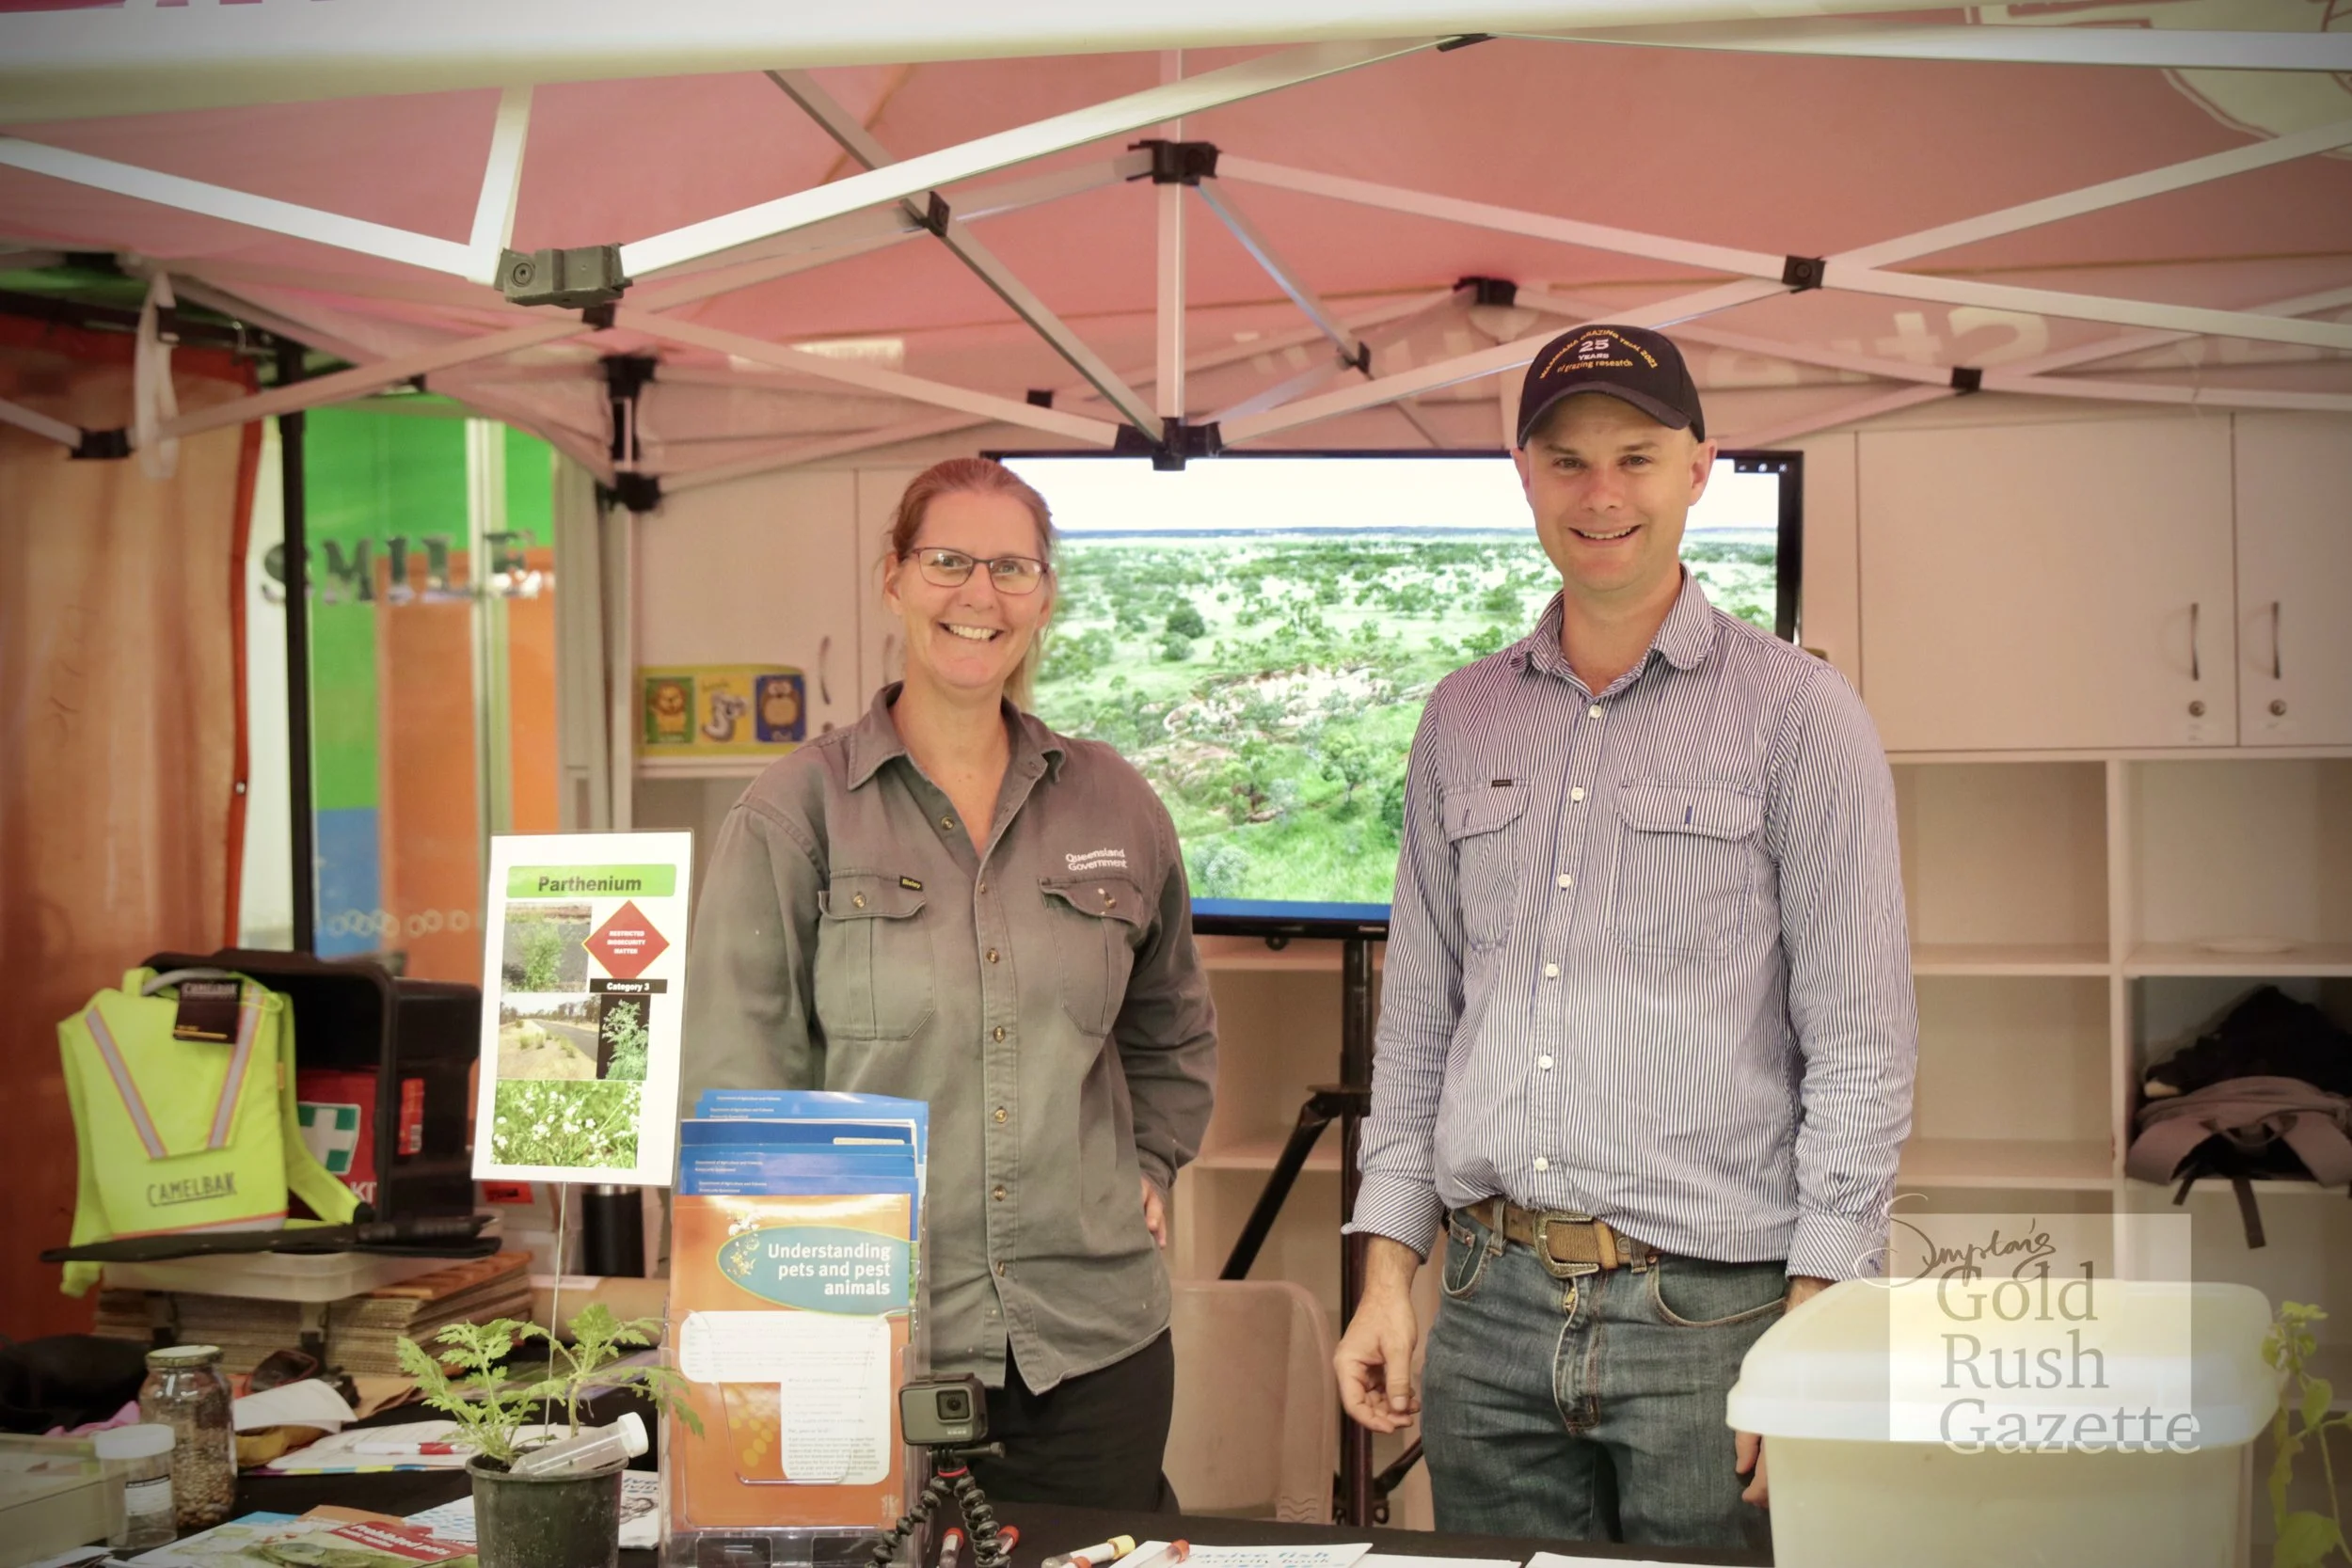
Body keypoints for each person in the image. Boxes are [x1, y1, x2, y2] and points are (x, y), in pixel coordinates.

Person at [1332, 325, 1916, 1553]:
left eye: (1636, 458)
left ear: (1699, 467)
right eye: (1567, 460)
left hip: (1714, 1320)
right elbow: (1422, 1021)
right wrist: (1388, 1271)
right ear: (1525, 474)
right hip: (1486, 1305)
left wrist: (1819, 1322)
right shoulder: (1461, 715)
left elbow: (1860, 1042)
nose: (1601, 493)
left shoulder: (1802, 717)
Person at [682, 456, 1217, 1511]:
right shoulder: (795, 812)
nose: (981, 594)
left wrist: (1151, 1156)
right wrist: (778, 1330)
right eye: (948, 562)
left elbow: (1171, 1027)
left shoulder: (1115, 803)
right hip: (868, 1346)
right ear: (893, 577)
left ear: (1045, 595)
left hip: (1092, 1344)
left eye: (1012, 567)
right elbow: (736, 1090)